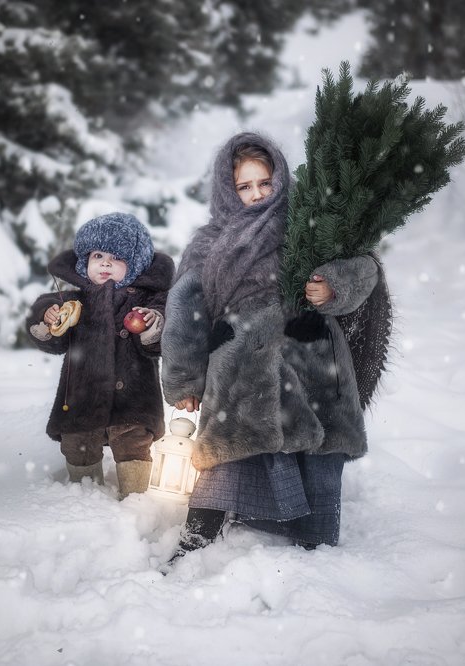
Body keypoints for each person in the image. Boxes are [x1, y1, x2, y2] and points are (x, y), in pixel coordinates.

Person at [160, 132, 391, 560]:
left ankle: (313, 537)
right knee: (228, 445)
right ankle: (200, 533)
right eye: (244, 186)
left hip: (309, 353)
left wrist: (333, 286)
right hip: (240, 361)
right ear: (227, 189)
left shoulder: (307, 226)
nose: (256, 194)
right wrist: (185, 379)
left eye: (265, 183)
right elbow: (184, 314)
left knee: (315, 444)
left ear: (280, 179)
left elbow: (363, 267)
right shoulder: (209, 244)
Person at [26, 212, 175, 499]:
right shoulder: (75, 301)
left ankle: (135, 499)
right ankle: (84, 497)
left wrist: (152, 324)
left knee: (133, 444)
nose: (105, 263)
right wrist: (47, 317)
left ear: (135, 264)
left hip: (133, 397)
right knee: (78, 444)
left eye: (116, 258)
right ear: (85, 262)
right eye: (98, 256)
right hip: (81, 396)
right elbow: (55, 339)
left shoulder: (147, 301)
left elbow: (159, 335)